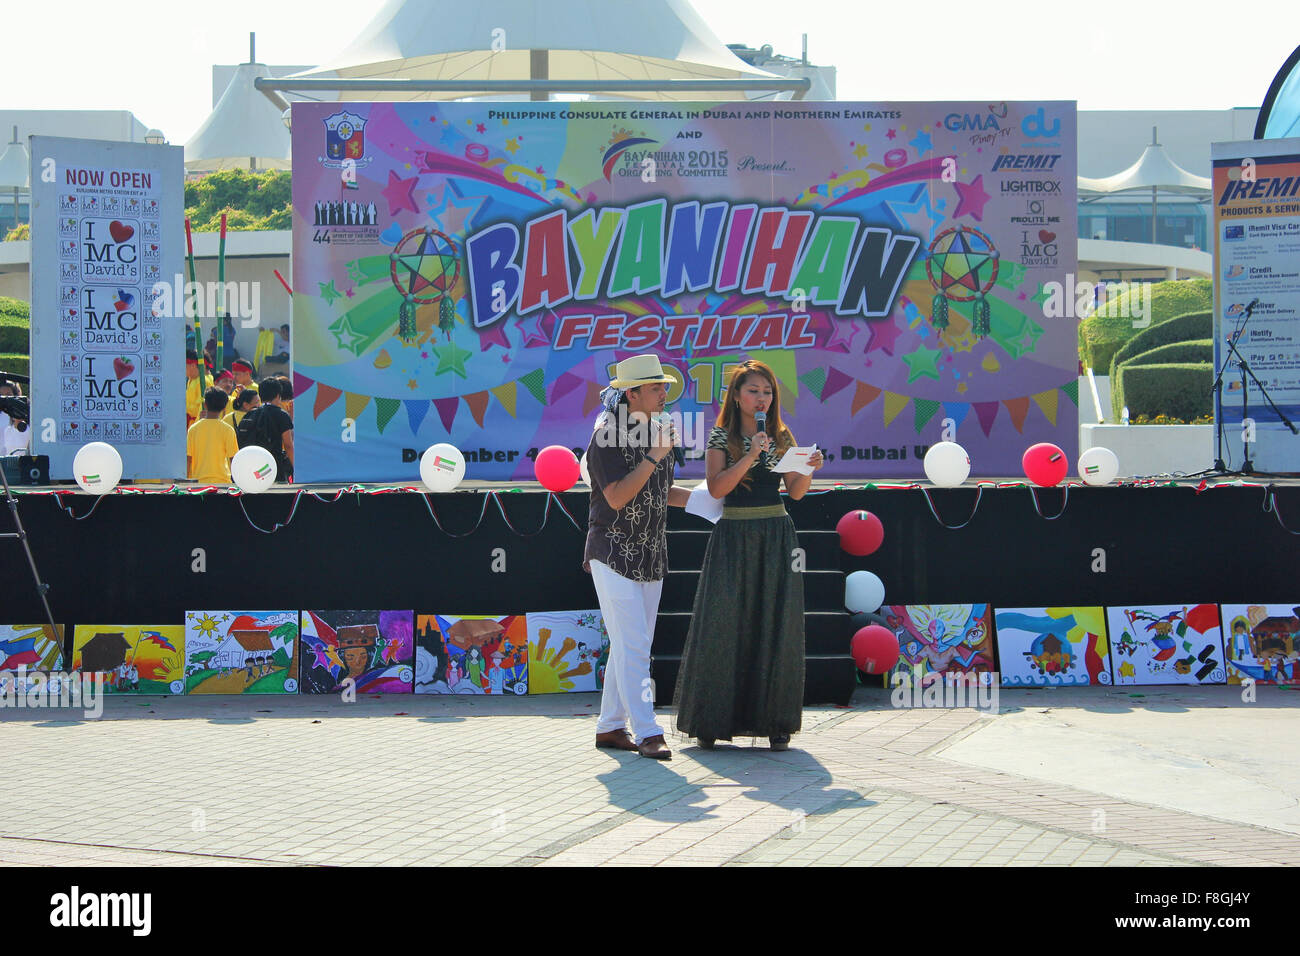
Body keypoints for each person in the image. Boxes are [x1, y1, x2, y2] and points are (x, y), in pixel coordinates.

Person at [672, 359, 825, 751]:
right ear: (737, 396)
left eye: (768, 391)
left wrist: (809, 468)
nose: (761, 398)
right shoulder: (721, 435)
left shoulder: (781, 434)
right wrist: (751, 456)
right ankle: (711, 720)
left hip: (775, 532)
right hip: (733, 533)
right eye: (754, 391)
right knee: (723, 622)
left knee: (775, 622)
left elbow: (796, 492)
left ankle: (776, 722)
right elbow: (718, 488)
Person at [584, 354, 692, 760]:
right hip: (611, 551)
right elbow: (615, 496)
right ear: (631, 393)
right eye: (655, 387)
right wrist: (654, 456)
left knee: (631, 644)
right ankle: (647, 731)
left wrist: (710, 501)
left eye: (664, 386)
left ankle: (610, 727)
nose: (665, 393)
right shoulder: (604, 436)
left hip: (650, 553)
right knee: (634, 645)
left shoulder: (656, 432)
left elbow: (661, 491)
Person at [239, 378, 294, 482]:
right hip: (273, 467)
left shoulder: (250, 414)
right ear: (278, 395)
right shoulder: (281, 414)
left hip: (253, 467)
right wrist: (296, 467)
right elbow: (288, 445)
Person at [186, 387, 239, 484]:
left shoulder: (193, 429)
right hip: (223, 482)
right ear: (224, 407)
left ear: (205, 405)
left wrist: (186, 482)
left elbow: (188, 459)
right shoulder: (228, 430)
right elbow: (234, 459)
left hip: (198, 483)